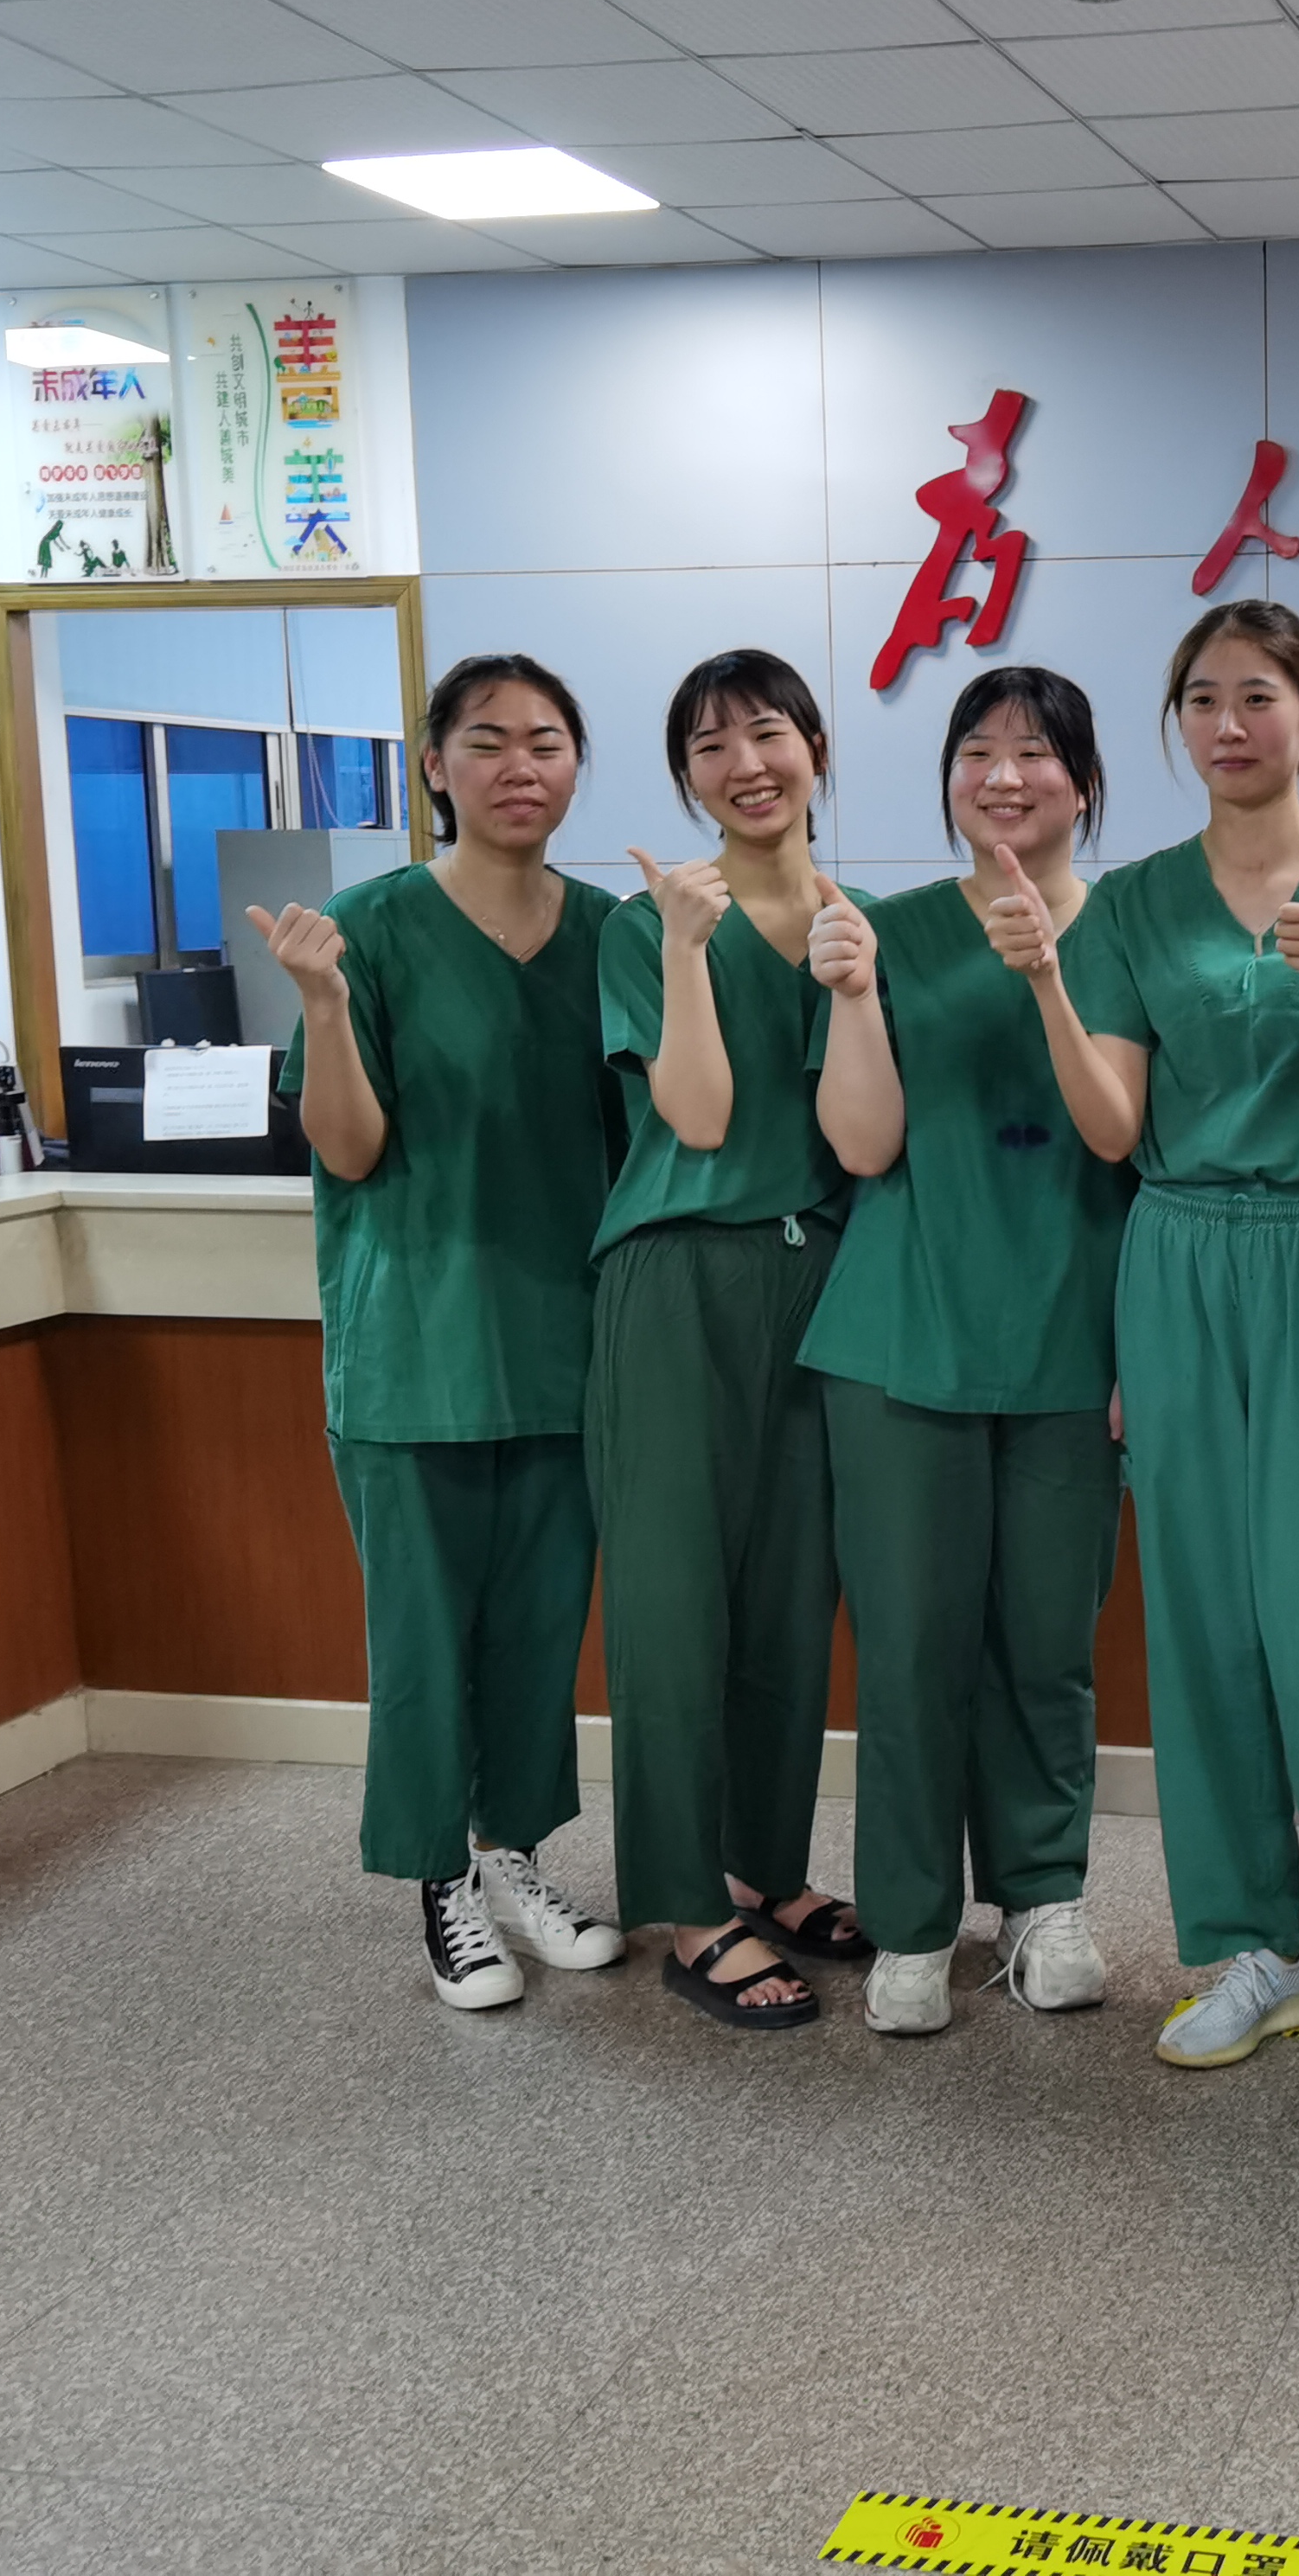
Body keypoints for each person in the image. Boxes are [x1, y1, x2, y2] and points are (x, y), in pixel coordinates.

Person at [1000, 599, 1299, 2098]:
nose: (1228, 723)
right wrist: (1049, 981)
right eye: (1201, 697)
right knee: (1205, 1623)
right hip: (1179, 1256)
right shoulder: (1134, 902)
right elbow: (1113, 1129)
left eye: (1259, 696)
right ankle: (1255, 1943)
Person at [255, 654, 629, 2013]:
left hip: (566, 1345)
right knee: (423, 1637)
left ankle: (513, 1856)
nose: (519, 766)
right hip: (415, 1344)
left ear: (577, 763)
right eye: (486, 741)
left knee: (539, 1628)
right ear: (434, 767)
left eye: (547, 740)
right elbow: (348, 1149)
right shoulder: (360, 929)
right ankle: (441, 1882)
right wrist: (322, 1003)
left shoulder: (615, 936)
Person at [802, 667, 1133, 2036]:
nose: (1005, 776)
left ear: (1085, 783)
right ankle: (912, 1920)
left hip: (1070, 1336)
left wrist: (1142, 1351)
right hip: (904, 1334)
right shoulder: (883, 932)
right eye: (978, 751)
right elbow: (862, 1144)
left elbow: (1136, 1147)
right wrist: (853, 995)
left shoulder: (1129, 934)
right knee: (910, 1646)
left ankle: (1043, 1899)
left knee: (1047, 1645)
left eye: (1038, 752)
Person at [592, 648, 860, 2029]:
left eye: (767, 733)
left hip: (817, 1283)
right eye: (710, 747)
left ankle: (765, 1866)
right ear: (688, 778)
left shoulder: (853, 925)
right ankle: (690, 1905)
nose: (746, 765)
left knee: (790, 1598)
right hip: (678, 1277)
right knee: (674, 1599)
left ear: (815, 745)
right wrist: (687, 951)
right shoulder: (651, 925)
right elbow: (695, 1116)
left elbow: (864, 1135)